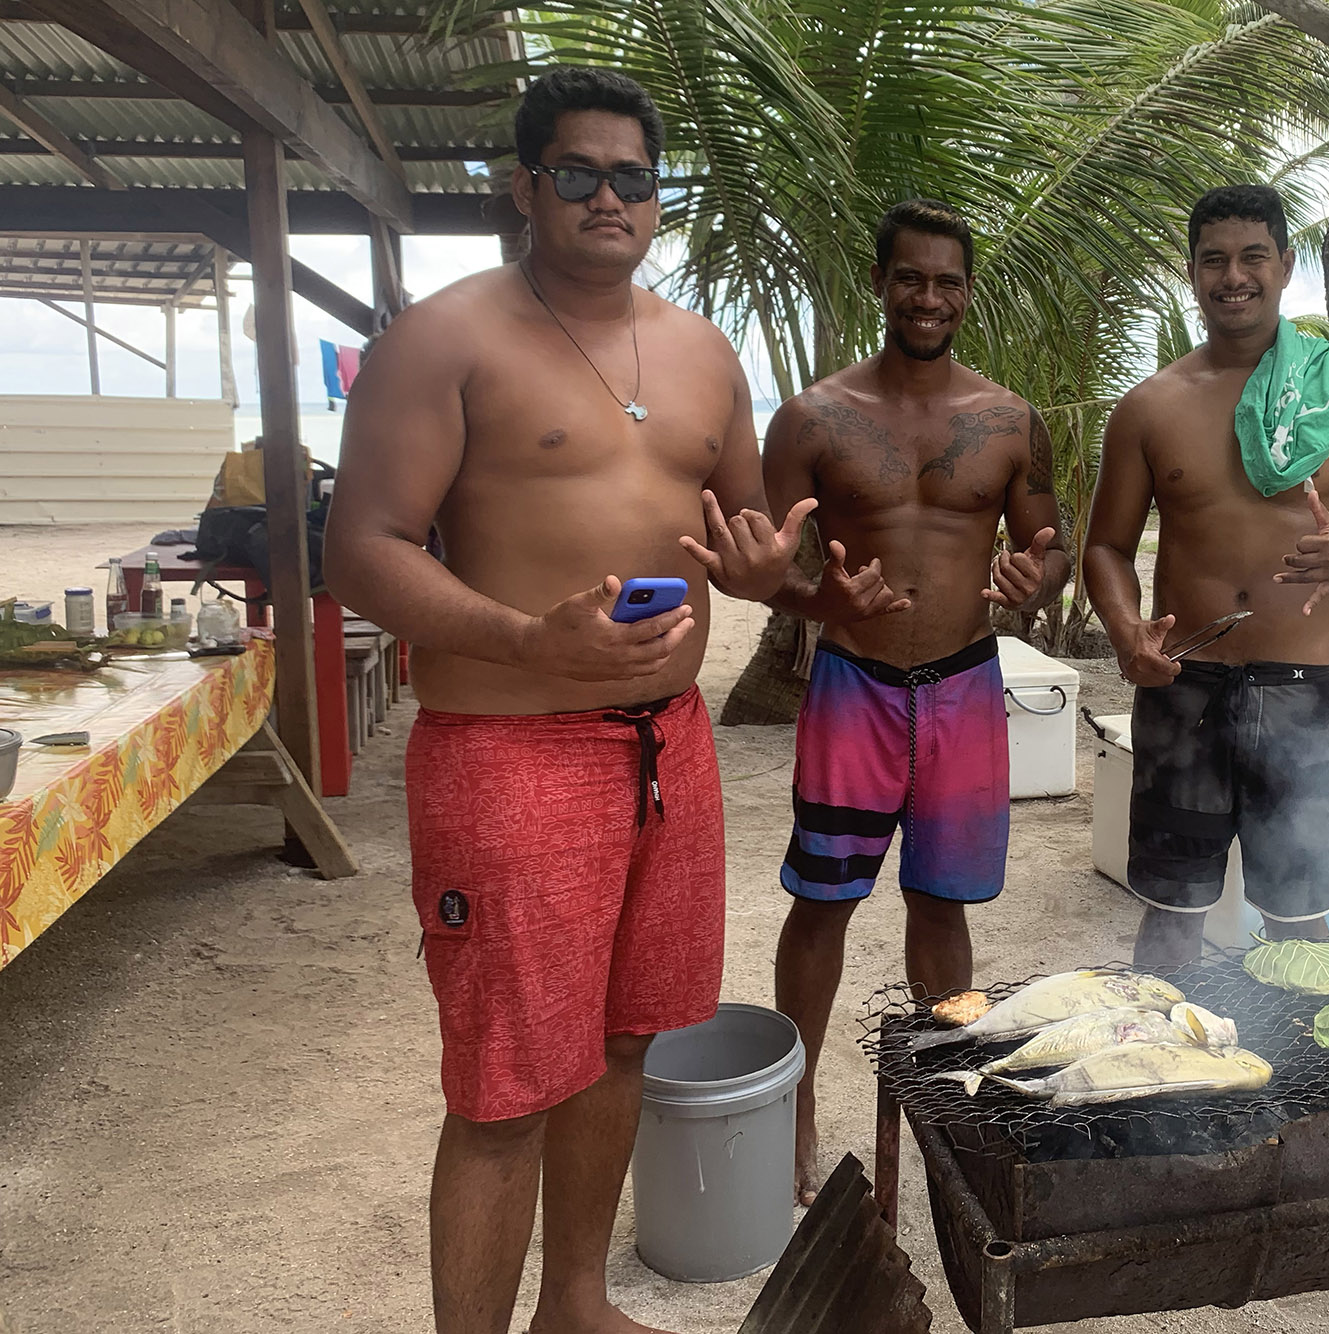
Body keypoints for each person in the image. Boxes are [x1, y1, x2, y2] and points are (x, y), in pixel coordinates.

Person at [324, 67, 810, 1334]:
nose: (609, 196)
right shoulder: (447, 336)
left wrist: (768, 570)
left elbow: (746, 527)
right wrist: (526, 635)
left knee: (631, 1042)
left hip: (669, 744)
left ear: (657, 197)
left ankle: (576, 1305)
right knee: (503, 1089)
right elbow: (362, 544)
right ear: (526, 185)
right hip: (505, 748)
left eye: (633, 176)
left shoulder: (705, 353)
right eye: (579, 172)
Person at [761, 198, 1070, 1204]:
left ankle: (944, 1103)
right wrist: (815, 596)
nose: (928, 296)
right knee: (823, 899)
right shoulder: (813, 418)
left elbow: (1047, 545)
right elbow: (762, 565)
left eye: (946, 280)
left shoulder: (1007, 420)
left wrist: (1039, 580)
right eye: (910, 277)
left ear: (965, 291)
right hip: (852, 683)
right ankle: (797, 1101)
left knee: (942, 901)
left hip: (964, 684)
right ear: (880, 282)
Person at [1083, 184, 1329, 971]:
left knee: (1301, 925)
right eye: (1214, 260)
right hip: (1184, 689)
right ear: (1193, 273)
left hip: (1300, 693)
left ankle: (1301, 1093)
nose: (1233, 276)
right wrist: (1124, 631)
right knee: (1172, 918)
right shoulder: (1151, 407)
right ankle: (1161, 1087)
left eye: (1252, 257)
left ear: (1283, 266)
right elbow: (1105, 547)